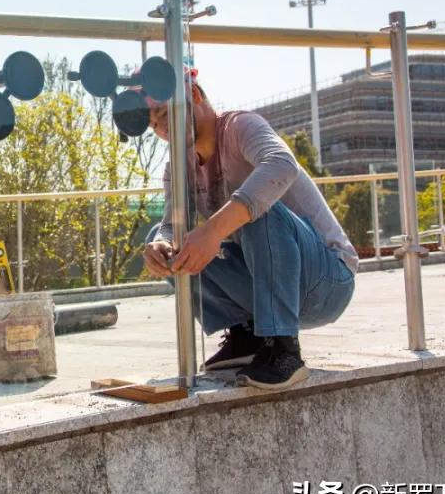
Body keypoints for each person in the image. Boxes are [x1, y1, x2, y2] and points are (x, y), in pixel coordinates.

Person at [142, 68, 357, 390]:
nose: (162, 128)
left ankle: (284, 350)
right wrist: (162, 243)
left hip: (327, 281)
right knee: (164, 242)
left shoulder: (240, 126)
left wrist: (212, 232)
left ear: (195, 95)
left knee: (259, 212)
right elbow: (172, 225)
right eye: (153, 124)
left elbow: (282, 164)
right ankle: (246, 334)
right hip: (267, 285)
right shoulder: (179, 165)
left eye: (163, 113)